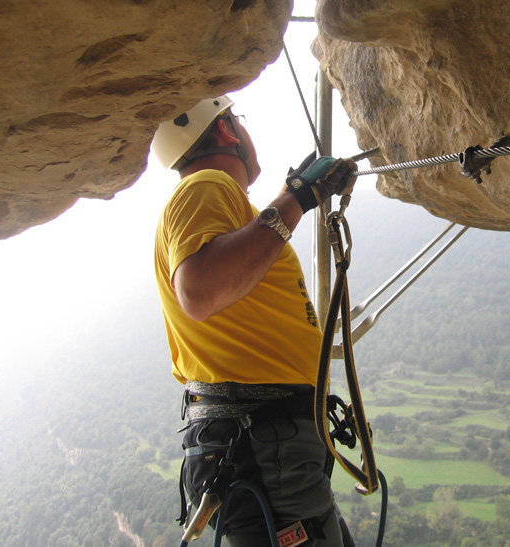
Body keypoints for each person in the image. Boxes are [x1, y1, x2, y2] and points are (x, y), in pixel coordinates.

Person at [151, 95, 357, 546]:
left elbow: (232, 266)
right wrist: (295, 199)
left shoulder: (222, 203)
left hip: (261, 443)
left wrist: (294, 196)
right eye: (238, 122)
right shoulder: (203, 185)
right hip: (264, 442)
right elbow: (200, 289)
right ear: (226, 130)